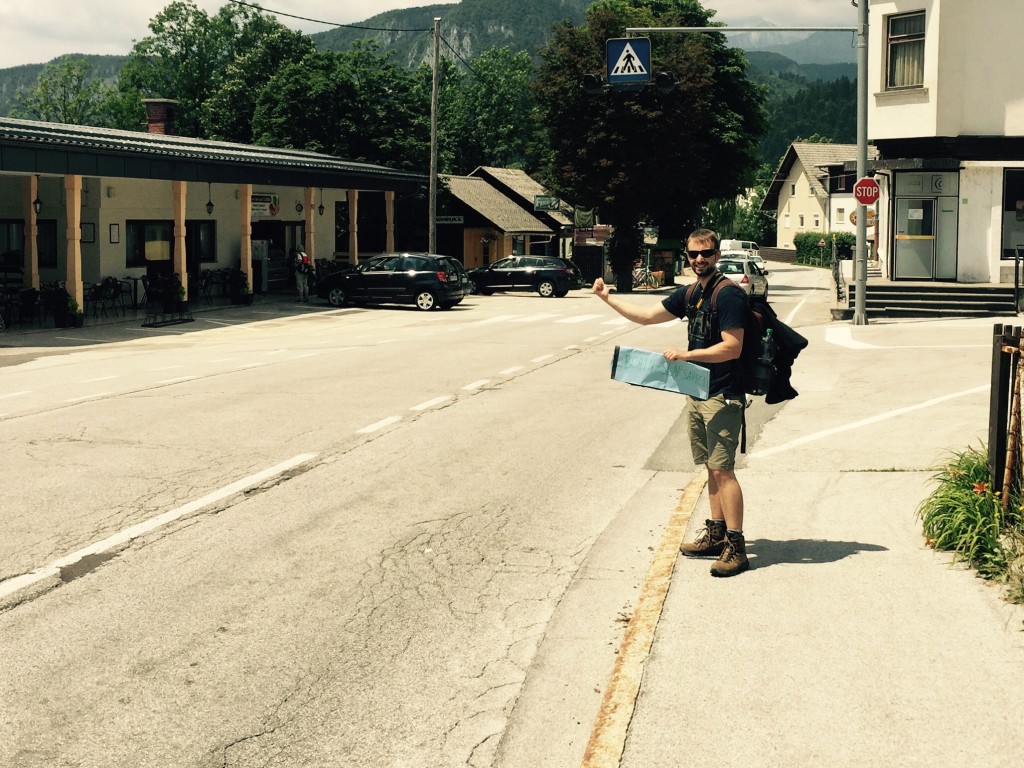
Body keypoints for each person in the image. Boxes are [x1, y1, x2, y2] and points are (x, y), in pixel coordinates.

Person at [592, 228, 750, 577]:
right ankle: (716, 534)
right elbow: (647, 316)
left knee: (724, 470)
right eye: (693, 254)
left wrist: (687, 353)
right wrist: (607, 298)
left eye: (705, 254)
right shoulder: (693, 292)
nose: (699, 260)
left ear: (717, 255)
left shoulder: (728, 296)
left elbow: (732, 347)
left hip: (722, 396)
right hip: (698, 393)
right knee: (710, 467)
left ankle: (736, 547)